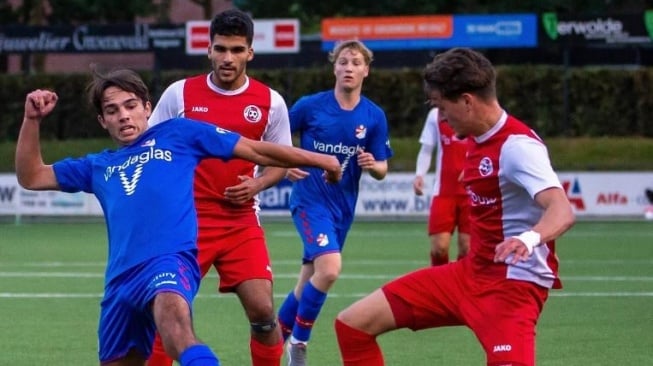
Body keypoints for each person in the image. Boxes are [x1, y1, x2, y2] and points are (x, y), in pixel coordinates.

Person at [14, 69, 342, 366]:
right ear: (103, 121)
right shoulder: (98, 165)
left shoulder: (178, 133)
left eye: (130, 106)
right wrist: (32, 120)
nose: (124, 116)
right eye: (112, 111)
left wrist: (320, 159)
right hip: (120, 283)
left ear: (147, 107)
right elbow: (32, 176)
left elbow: (257, 149)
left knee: (174, 324)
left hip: (169, 263)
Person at [334, 47, 575, 366]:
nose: (441, 119)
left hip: (511, 290)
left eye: (442, 108)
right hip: (468, 275)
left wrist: (527, 239)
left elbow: (562, 209)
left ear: (467, 100)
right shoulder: (476, 139)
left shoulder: (518, 148)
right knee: (352, 325)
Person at [146, 9, 292, 366]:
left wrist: (257, 183)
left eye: (237, 50)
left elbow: (282, 160)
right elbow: (149, 148)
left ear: (250, 53)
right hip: (185, 223)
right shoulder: (179, 94)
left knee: (263, 311)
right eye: (221, 49)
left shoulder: (270, 101)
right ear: (208, 50)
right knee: (169, 314)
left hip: (240, 223)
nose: (228, 58)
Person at [276, 39, 393, 366]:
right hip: (310, 201)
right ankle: (298, 342)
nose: (349, 68)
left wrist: (374, 166)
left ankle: (272, 343)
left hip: (343, 209)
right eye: (343, 62)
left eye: (356, 62)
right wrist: (283, 166)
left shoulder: (373, 116)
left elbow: (383, 167)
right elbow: (273, 138)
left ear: (365, 70)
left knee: (307, 282)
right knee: (329, 269)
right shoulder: (310, 106)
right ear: (334, 67)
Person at [413, 107, 470, 265]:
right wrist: (420, 174)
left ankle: (462, 287)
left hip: (472, 194)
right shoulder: (436, 114)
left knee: (467, 248)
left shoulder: (477, 111)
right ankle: (440, 286)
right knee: (439, 248)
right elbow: (426, 148)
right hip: (444, 192)